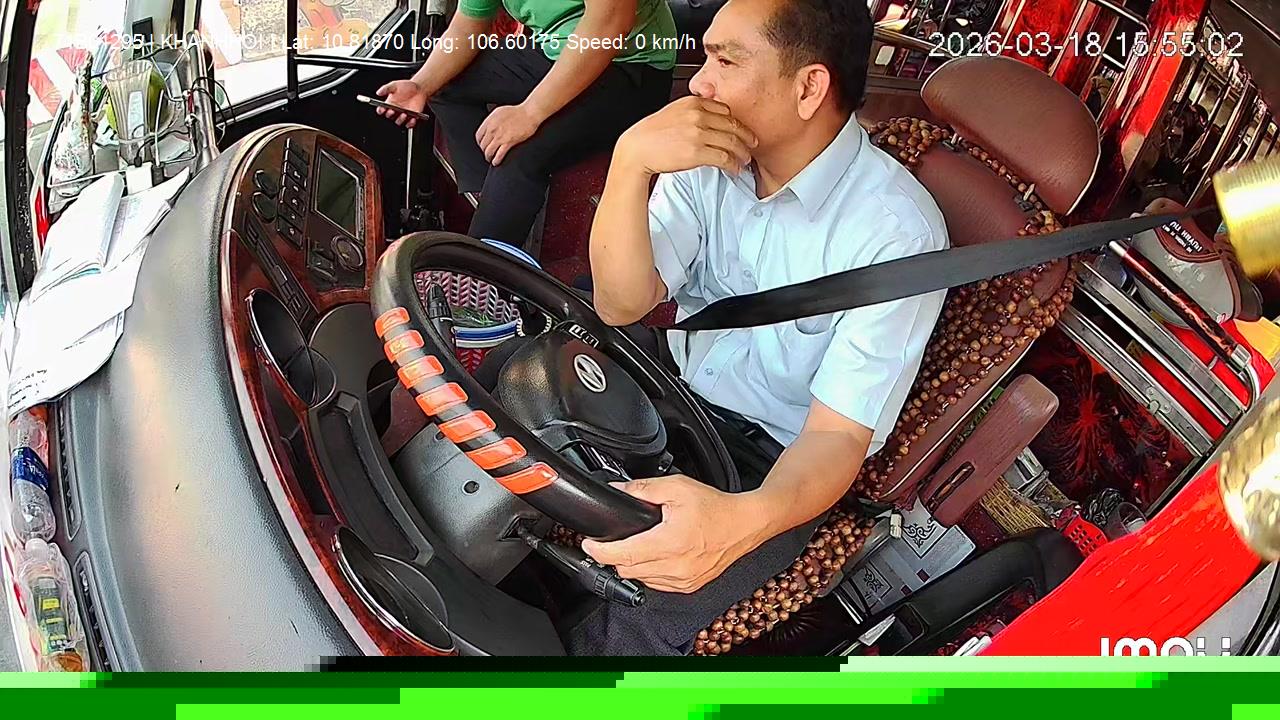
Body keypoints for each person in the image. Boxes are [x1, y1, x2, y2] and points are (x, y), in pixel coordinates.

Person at [565, 0, 949, 655]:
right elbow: (622, 305)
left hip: (773, 464)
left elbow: (834, 435)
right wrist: (631, 164)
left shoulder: (896, 235)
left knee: (633, 620)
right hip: (671, 380)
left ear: (809, 88)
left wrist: (740, 523)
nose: (699, 83)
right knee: (517, 399)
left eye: (726, 61)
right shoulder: (704, 154)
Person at [374, 1, 677, 249]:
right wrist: (421, 85)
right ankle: (490, 198)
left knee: (519, 153)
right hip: (555, 51)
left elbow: (609, 23)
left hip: (630, 65)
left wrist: (530, 114)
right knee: (444, 84)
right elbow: (468, 24)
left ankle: (480, 282)